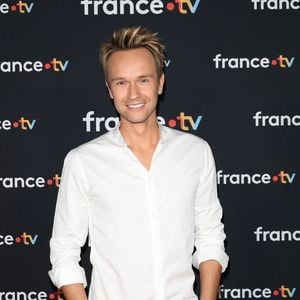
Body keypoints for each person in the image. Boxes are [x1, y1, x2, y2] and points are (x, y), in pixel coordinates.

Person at [49, 26, 229, 300]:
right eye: (121, 82)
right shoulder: (83, 161)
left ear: (160, 82)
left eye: (143, 80)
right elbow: (64, 250)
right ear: (109, 89)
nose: (133, 94)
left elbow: (210, 236)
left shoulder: (196, 152)